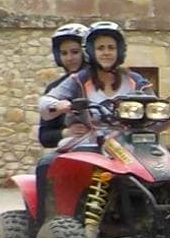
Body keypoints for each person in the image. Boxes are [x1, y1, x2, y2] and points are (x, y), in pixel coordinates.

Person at [34, 21, 157, 220]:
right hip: (91, 142)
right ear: (91, 51)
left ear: (120, 51)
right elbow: (47, 104)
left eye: (111, 47)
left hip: (130, 144)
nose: (106, 53)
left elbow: (154, 102)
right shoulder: (77, 80)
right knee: (47, 164)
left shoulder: (135, 80)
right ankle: (46, 228)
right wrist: (60, 106)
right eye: (100, 48)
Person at [39, 23, 90, 149]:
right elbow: (44, 136)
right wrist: (67, 132)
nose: (69, 58)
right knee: (45, 165)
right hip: (74, 147)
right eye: (64, 53)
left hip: (112, 144)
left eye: (75, 52)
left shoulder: (103, 79)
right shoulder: (55, 89)